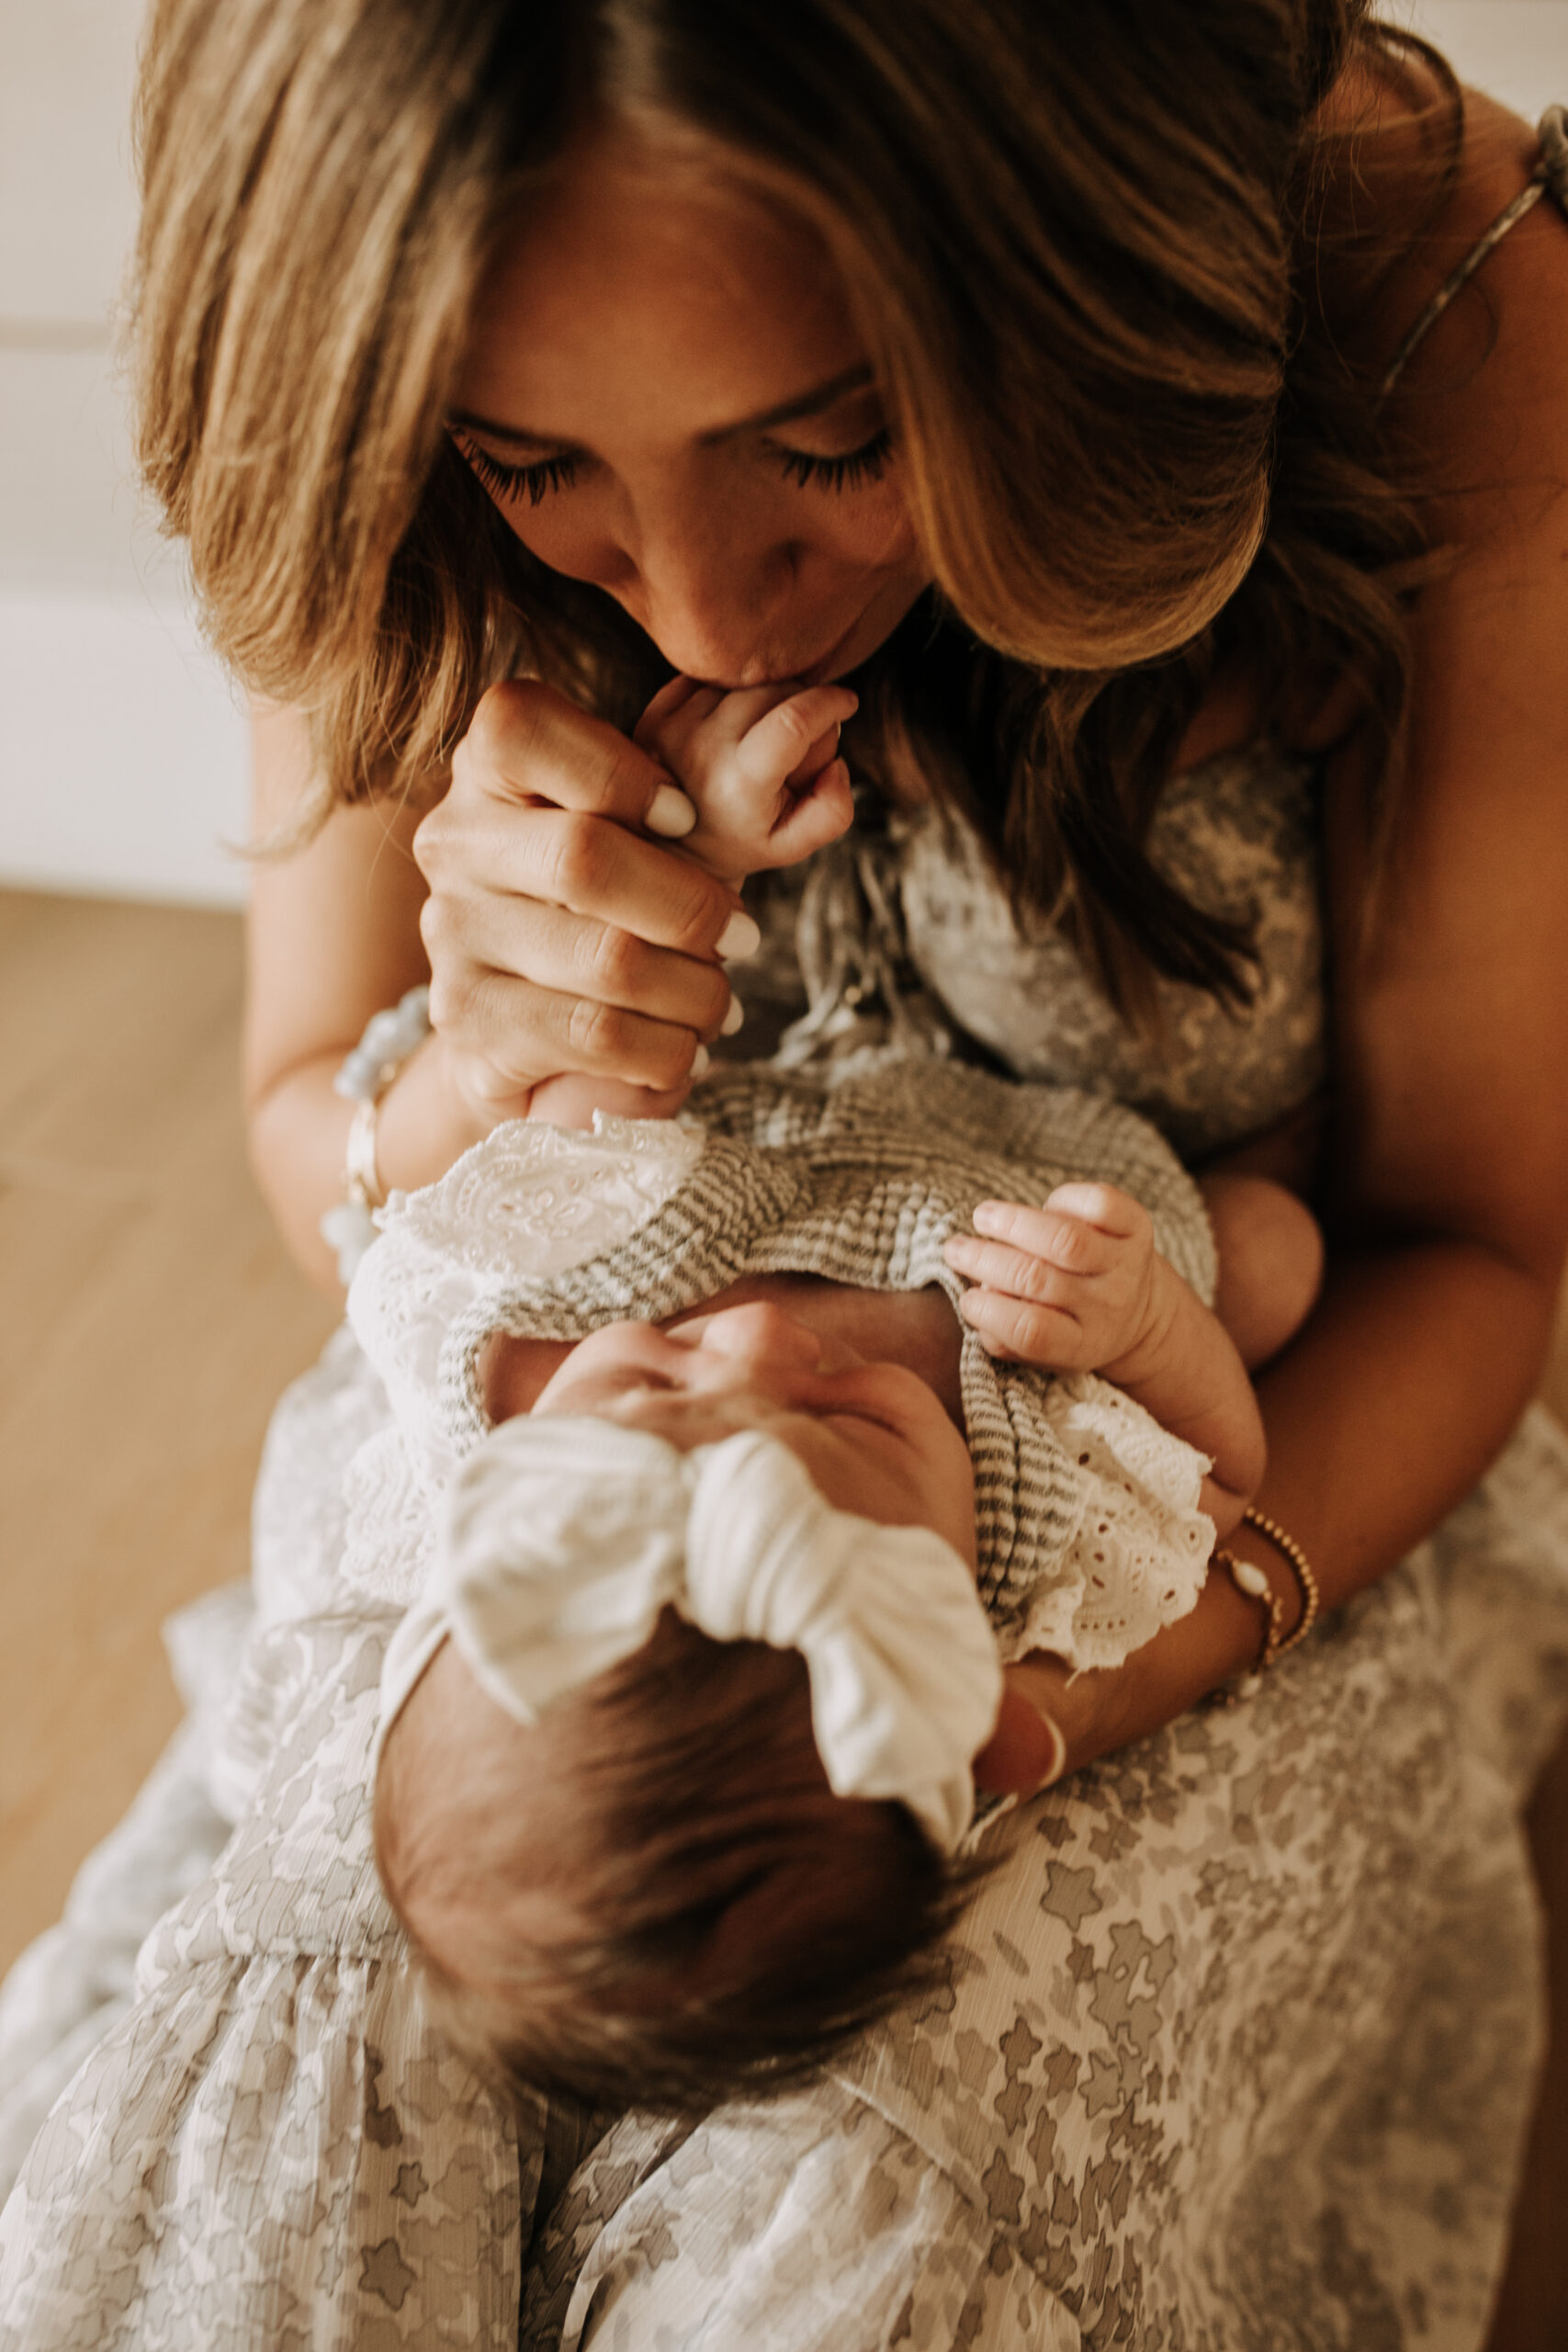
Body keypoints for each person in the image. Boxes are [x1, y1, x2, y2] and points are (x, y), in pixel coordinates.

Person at [3, 2, 1566, 2344]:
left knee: (850, 2209)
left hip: (1285, 1493)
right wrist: (475, 1066)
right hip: (591, 1652)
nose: (711, 622)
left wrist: (1036, 1699)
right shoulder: (360, 262)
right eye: (531, 465)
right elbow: (332, 1149)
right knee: (295, 2118)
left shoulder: (1424, 288)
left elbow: (1461, 1247)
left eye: (829, 441)